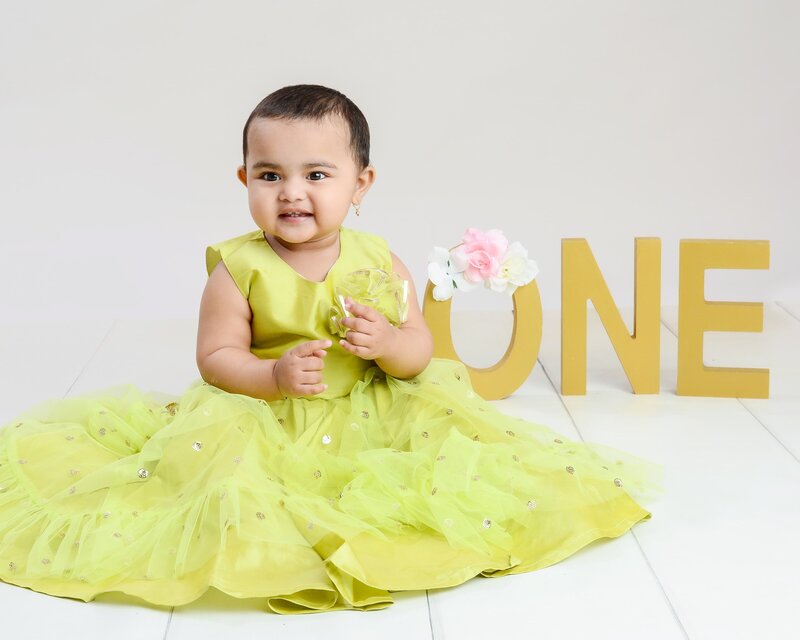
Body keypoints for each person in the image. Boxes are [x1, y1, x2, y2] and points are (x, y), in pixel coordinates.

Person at [0, 84, 662, 614]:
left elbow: (419, 351)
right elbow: (215, 357)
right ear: (245, 180)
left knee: (443, 465)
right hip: (268, 413)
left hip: (371, 407)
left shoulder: (380, 259)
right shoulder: (239, 269)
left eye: (317, 174)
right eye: (270, 175)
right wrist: (272, 373)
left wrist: (386, 343)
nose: (292, 192)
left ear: (360, 184)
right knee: (231, 484)